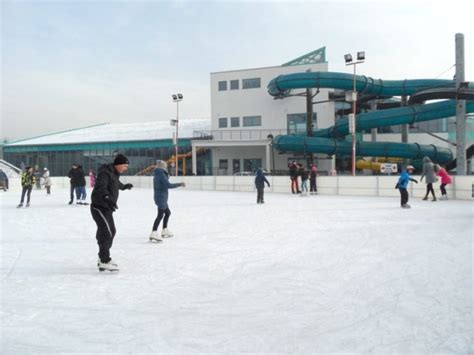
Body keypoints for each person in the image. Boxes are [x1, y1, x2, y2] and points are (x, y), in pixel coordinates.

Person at [90, 154, 133, 272]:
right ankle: (104, 260)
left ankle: (102, 258)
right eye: (124, 166)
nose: (126, 168)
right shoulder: (105, 173)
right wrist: (107, 197)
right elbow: (100, 187)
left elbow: (115, 183)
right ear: (118, 164)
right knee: (108, 232)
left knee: (106, 232)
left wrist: (124, 186)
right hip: (99, 207)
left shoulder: (113, 173)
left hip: (106, 207)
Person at [149, 160, 185, 242]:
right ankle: (154, 232)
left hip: (161, 197)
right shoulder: (161, 174)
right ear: (163, 167)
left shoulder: (159, 173)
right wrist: (179, 184)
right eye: (165, 166)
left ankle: (164, 230)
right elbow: (168, 185)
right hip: (161, 197)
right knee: (160, 215)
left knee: (167, 213)